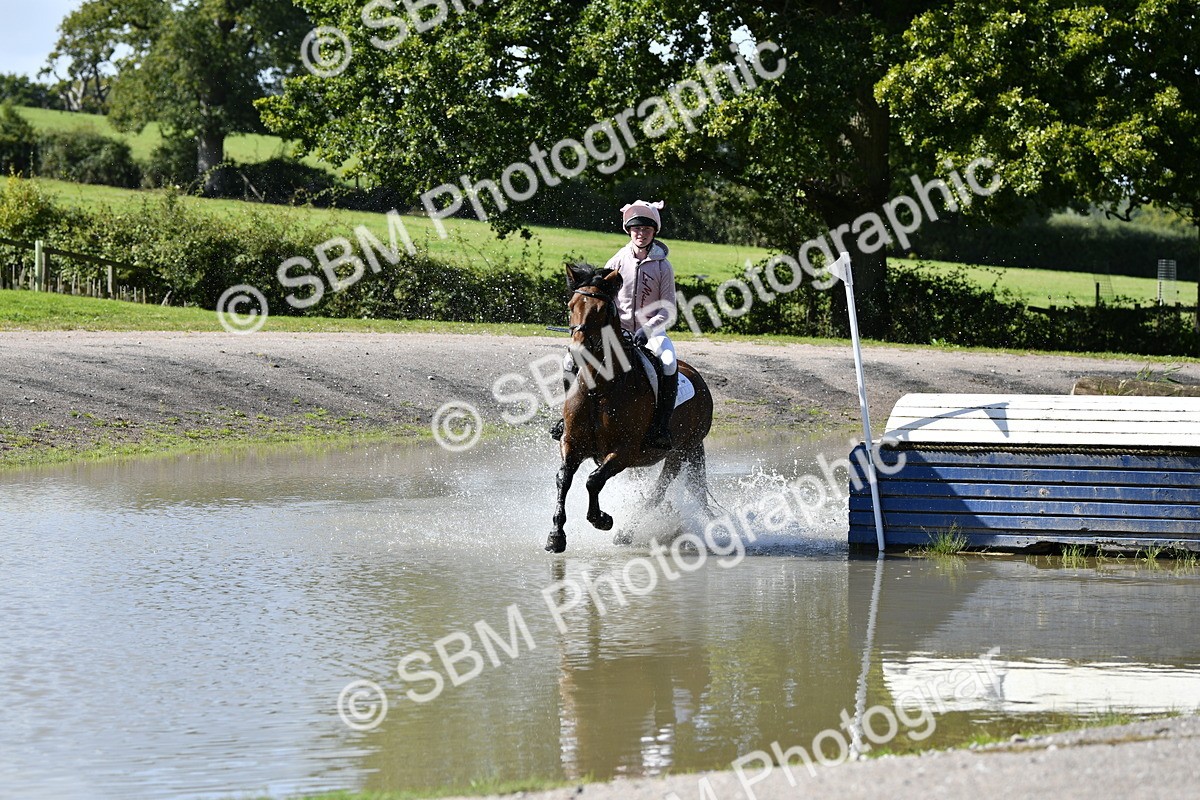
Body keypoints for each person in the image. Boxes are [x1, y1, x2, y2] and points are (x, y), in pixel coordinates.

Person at [551, 199, 679, 450]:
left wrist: (646, 331)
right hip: (616, 332)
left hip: (650, 332)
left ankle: (660, 426)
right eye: (636, 229)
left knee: (668, 361)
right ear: (629, 231)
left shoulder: (664, 266)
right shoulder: (617, 262)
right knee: (569, 361)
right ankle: (567, 419)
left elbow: (668, 309)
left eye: (646, 230)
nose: (640, 234)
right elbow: (600, 299)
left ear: (654, 232)